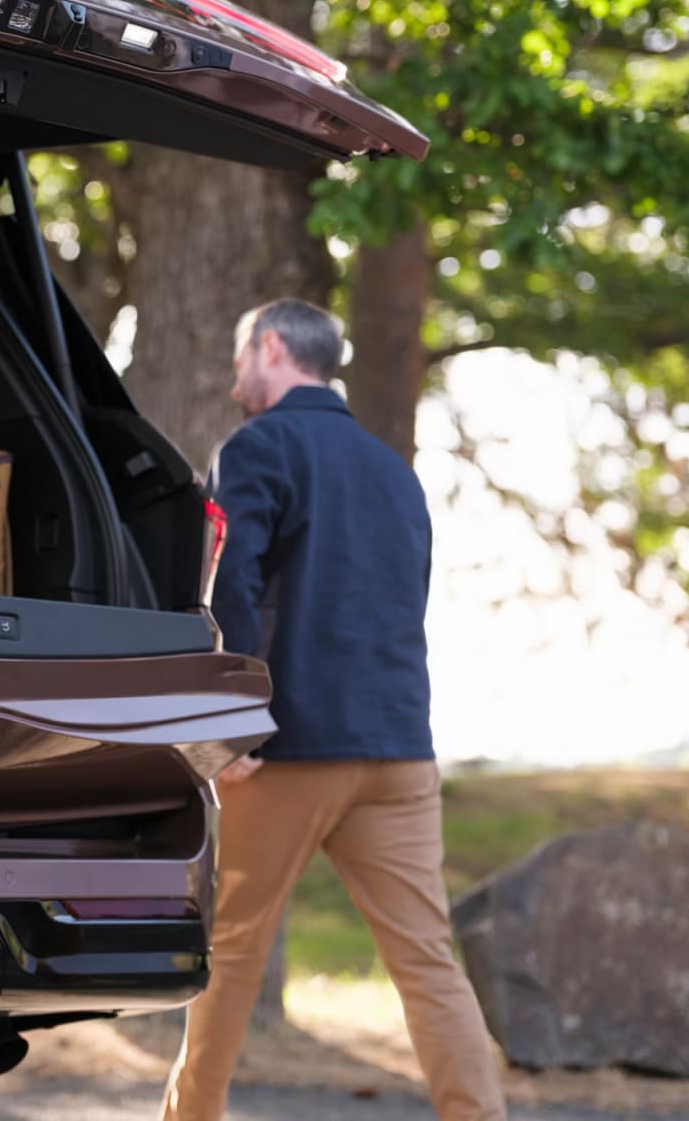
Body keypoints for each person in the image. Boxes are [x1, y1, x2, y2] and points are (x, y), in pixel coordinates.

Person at [162, 299, 506, 1121]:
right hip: (399, 750)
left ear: (274, 349)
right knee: (427, 963)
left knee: (232, 950)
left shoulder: (257, 448)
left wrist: (230, 726)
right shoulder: (395, 470)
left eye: (243, 355)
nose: (235, 374)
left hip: (289, 751)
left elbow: (231, 587)